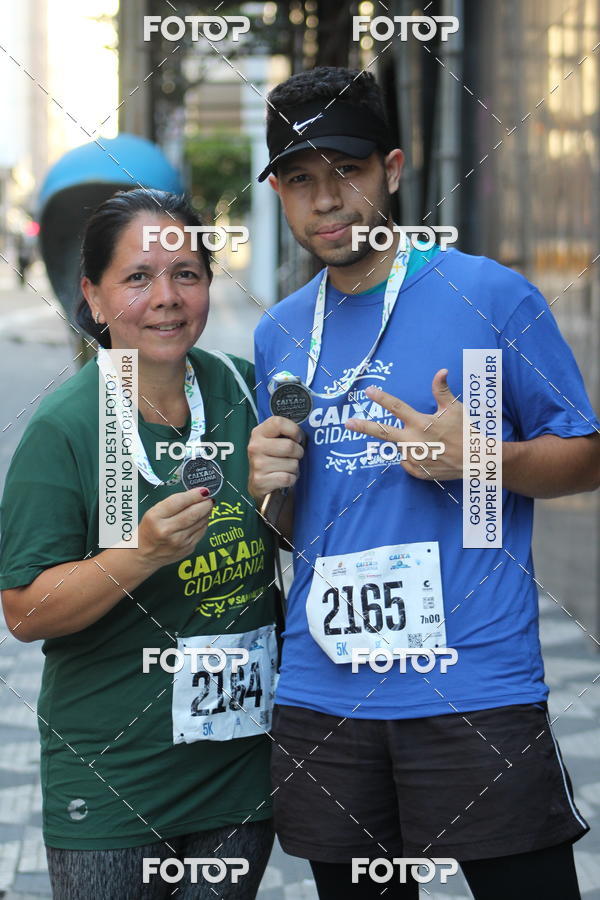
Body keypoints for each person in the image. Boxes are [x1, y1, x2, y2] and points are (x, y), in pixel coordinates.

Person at [248, 67, 600, 899]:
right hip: (326, 686)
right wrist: (267, 489)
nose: (326, 201)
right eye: (300, 181)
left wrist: (484, 457)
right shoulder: (277, 333)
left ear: (395, 170)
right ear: (279, 196)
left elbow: (584, 454)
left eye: (348, 172)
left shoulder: (490, 296)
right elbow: (292, 528)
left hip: (471, 679)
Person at [0, 189, 278, 899]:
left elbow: (290, 535)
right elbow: (25, 614)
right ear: (92, 298)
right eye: (137, 278)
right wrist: (142, 554)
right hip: (115, 777)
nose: (167, 297)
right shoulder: (65, 427)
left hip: (237, 768)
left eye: (187, 273)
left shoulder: (244, 393)